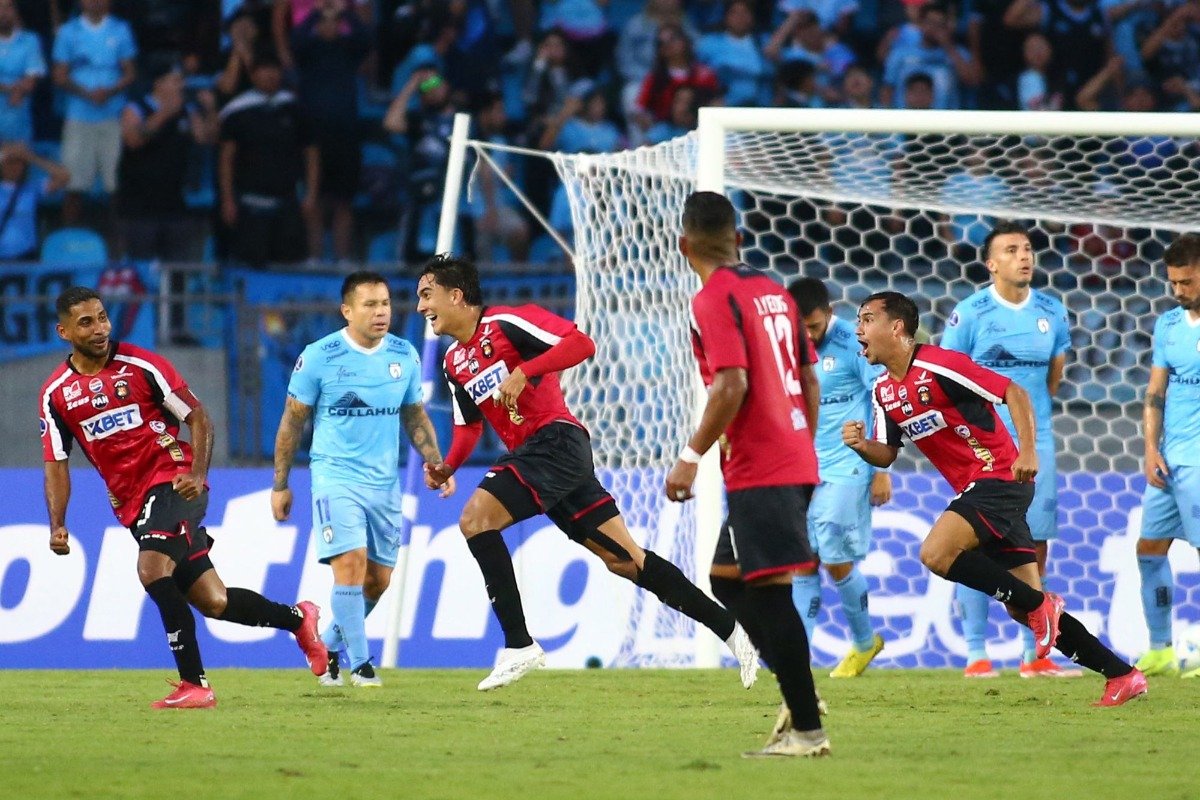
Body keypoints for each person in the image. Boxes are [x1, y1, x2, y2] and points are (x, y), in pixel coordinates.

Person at [416, 253, 758, 692]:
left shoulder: (506, 323)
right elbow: (468, 426)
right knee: (625, 560)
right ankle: (734, 632)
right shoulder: (453, 363)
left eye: (427, 295)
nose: (422, 306)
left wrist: (526, 370)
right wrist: (448, 466)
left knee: (474, 520)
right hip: (544, 459)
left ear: (456, 294)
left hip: (555, 441)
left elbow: (581, 343)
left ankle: (519, 645)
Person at [843, 290, 1146, 706]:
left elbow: (1014, 393)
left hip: (1001, 477)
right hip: (981, 490)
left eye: (866, 319)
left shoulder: (940, 364)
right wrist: (862, 446)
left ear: (896, 327)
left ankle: (1043, 605)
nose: (858, 329)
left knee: (935, 553)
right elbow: (888, 453)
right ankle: (1121, 674)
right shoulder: (883, 392)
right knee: (1025, 609)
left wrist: (1028, 450)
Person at [39, 287, 327, 709]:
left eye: (102, 317)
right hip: (131, 502)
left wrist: (197, 473)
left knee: (152, 569)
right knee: (214, 600)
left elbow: (198, 416)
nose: (100, 328)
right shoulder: (56, 394)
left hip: (173, 481)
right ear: (63, 331)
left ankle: (195, 684)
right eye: (86, 322)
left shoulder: (141, 365)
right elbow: (56, 463)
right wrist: (57, 523)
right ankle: (300, 620)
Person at [666, 191, 829, 758]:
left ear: (684, 244)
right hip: (790, 455)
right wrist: (799, 444)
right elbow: (810, 381)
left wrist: (689, 455)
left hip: (764, 465)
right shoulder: (776, 294)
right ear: (737, 238)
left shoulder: (713, 298)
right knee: (726, 578)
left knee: (769, 591)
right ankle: (796, 685)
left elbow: (730, 383)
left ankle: (808, 728)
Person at [272, 271, 449, 688]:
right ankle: (361, 663)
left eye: (385, 303)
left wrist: (436, 463)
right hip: (335, 477)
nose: (380, 312)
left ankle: (329, 642)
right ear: (347, 311)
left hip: (384, 484)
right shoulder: (320, 356)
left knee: (378, 580)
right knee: (349, 565)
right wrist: (281, 484)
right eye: (369, 305)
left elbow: (415, 415)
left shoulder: (404, 355)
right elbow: (292, 423)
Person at [939, 221, 1081, 678]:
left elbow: (1052, 379)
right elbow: (945, 380)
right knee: (975, 544)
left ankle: (1033, 653)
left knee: (1034, 543)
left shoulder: (1053, 313)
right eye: (1012, 249)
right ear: (991, 263)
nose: (1025, 256)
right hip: (983, 447)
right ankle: (976, 654)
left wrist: (1030, 432)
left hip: (1037, 444)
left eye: (1028, 248)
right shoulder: (970, 313)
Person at [788, 277, 890, 678]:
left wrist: (881, 467)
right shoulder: (787, 343)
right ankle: (798, 658)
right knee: (802, 561)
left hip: (850, 462)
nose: (808, 335)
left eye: (814, 327)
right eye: (802, 328)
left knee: (831, 544)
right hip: (803, 467)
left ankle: (864, 642)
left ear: (829, 315)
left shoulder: (854, 344)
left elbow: (882, 401)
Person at [1135, 233, 1200, 678]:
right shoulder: (1169, 325)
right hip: (1169, 460)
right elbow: (1155, 391)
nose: (1178, 291)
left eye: (1187, 282)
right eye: (1173, 283)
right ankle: (1160, 649)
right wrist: (1150, 449)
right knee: (1149, 550)